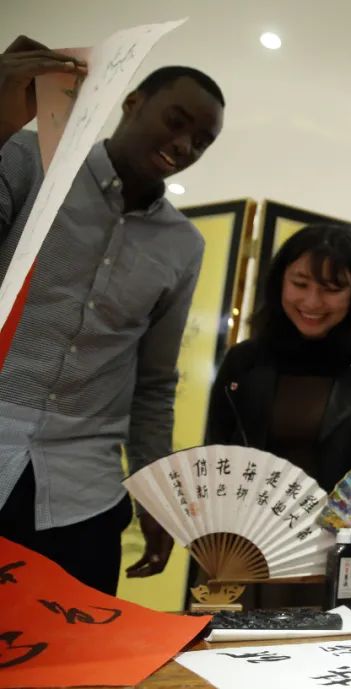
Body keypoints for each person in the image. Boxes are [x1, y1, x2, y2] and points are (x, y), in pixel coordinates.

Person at [0, 35, 225, 595]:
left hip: (85, 495)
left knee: (78, 647)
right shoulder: (31, 160)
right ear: (132, 102)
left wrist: (157, 495)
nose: (184, 144)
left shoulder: (183, 245)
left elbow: (153, 384)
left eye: (202, 141)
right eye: (176, 121)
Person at [204, 224, 351, 606]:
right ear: (279, 281)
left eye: (332, 289)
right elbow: (216, 460)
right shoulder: (243, 362)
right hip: (245, 549)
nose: (312, 301)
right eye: (300, 283)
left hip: (337, 552)